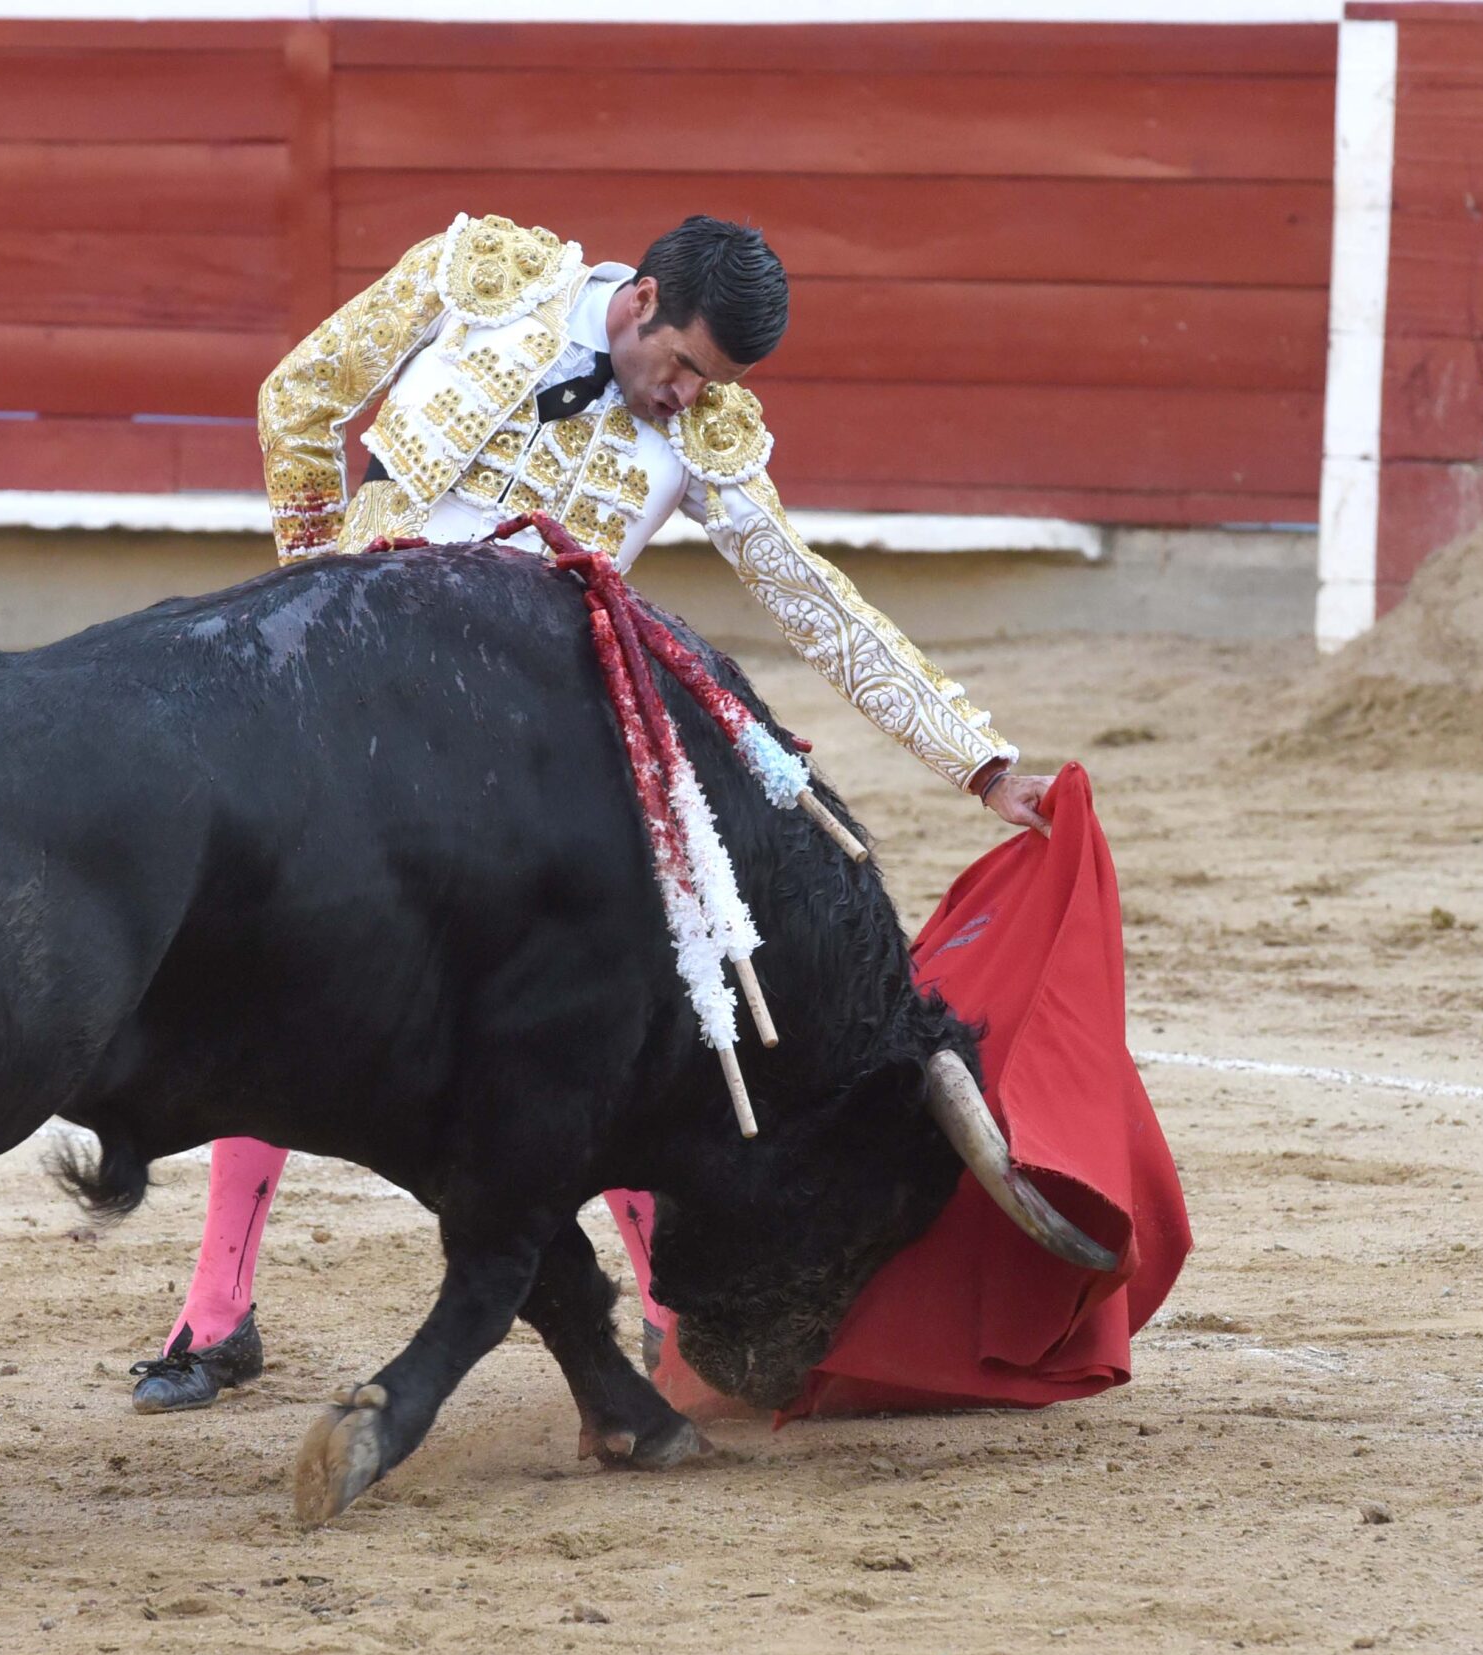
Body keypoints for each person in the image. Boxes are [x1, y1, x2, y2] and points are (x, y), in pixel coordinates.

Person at [128, 213, 1053, 1413]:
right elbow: (299, 398)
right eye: (680, 366)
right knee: (288, 977)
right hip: (358, 708)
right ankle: (214, 1313)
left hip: (536, 743)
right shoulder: (487, 281)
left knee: (624, 992)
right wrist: (310, 597)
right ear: (640, 300)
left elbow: (812, 599)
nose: (684, 400)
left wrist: (978, 761)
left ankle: (664, 1320)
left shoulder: (708, 432)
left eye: (709, 384)